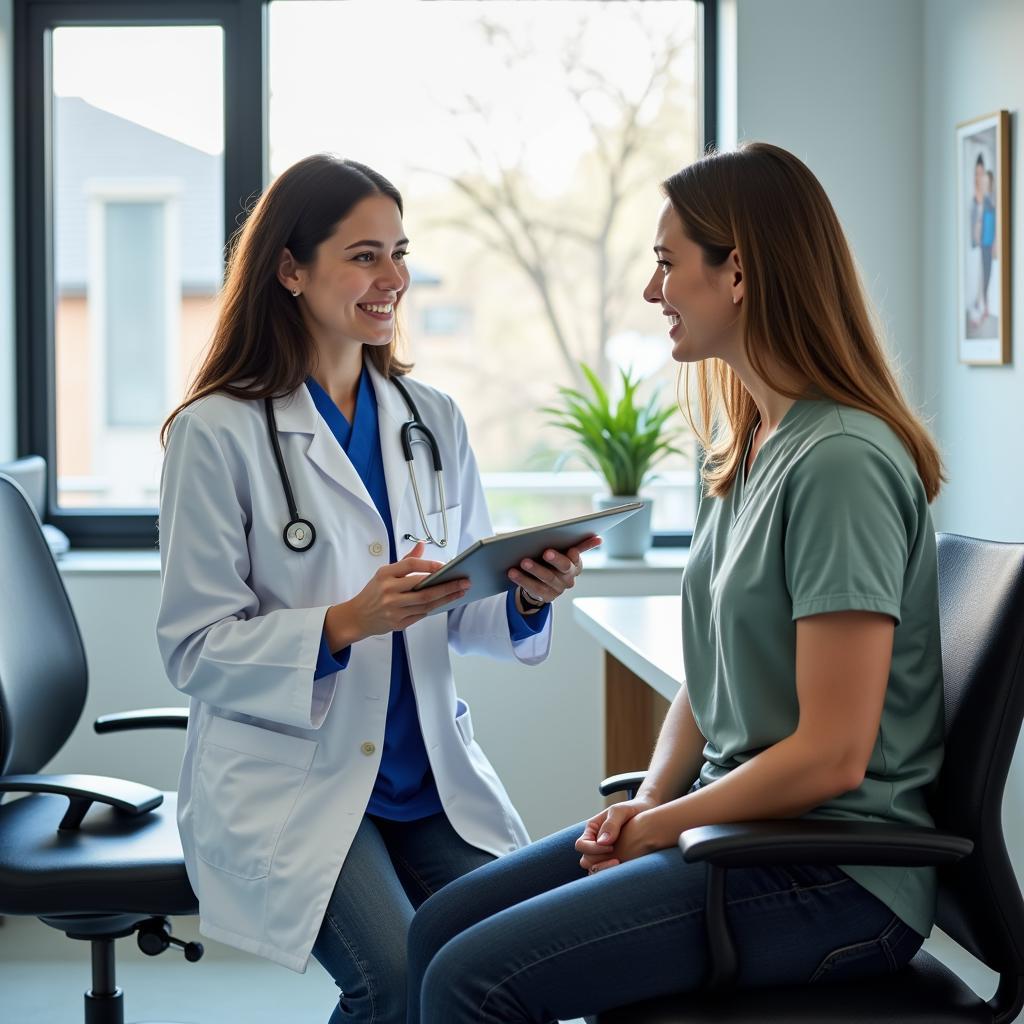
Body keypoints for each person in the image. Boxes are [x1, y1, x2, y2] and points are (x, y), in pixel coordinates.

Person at [406, 142, 946, 1023]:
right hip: (740, 839)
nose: (653, 292)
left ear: (740, 272)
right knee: (438, 930)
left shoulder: (840, 460)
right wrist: (653, 799)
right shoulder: (753, 445)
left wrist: (658, 826)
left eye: (667, 263)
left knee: (473, 982)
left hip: (836, 878)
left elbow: (834, 753)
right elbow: (715, 670)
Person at [156, 153, 599, 1024]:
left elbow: (461, 608)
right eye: (364, 255)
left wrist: (524, 595)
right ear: (290, 267)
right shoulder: (215, 433)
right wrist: (344, 623)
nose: (393, 277)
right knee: (397, 984)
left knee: (518, 966)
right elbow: (193, 648)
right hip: (295, 783)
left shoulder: (430, 419)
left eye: (399, 251)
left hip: (426, 776)